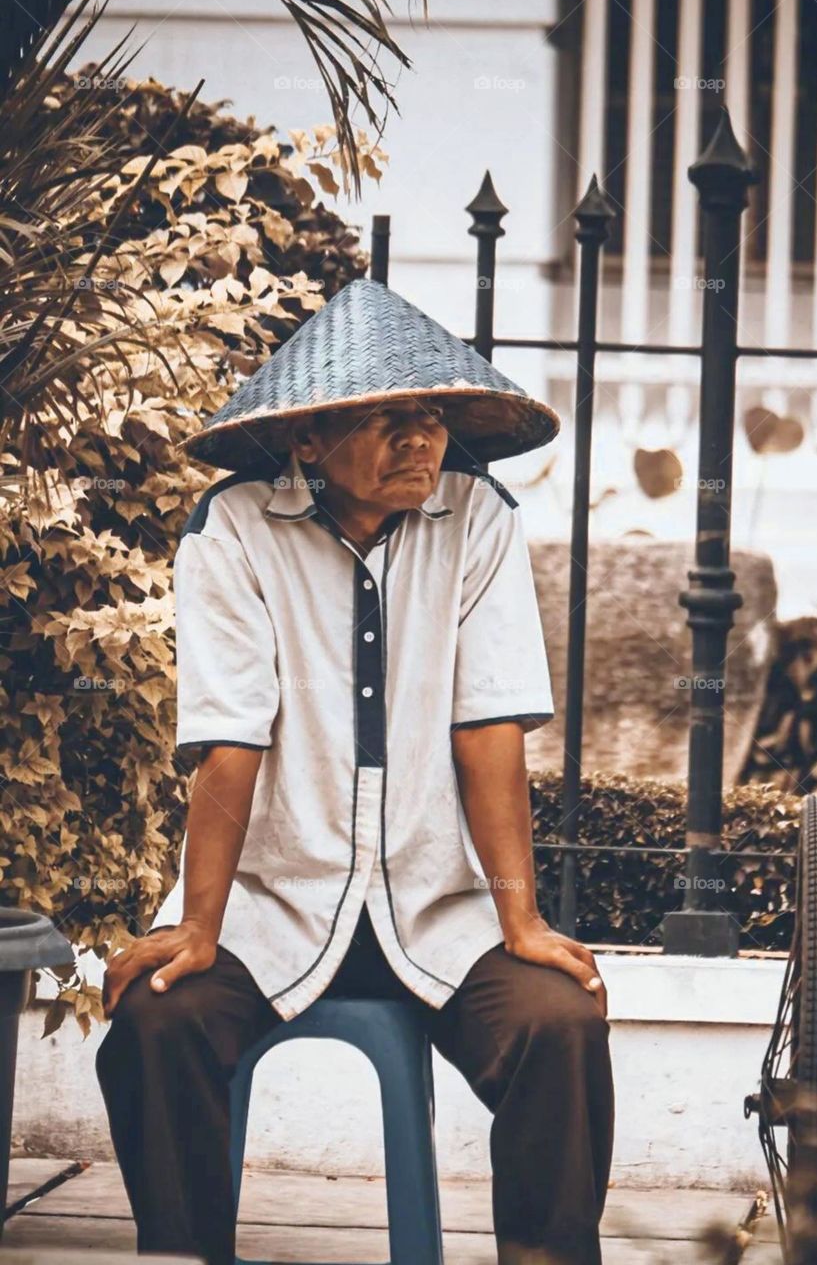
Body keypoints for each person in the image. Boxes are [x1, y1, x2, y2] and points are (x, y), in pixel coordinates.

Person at [95, 278, 615, 1265]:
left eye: (431, 418)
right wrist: (197, 926)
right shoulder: (235, 529)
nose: (423, 441)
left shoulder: (480, 518)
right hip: (268, 906)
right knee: (159, 1022)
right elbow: (229, 739)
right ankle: (181, 1253)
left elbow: (487, 730)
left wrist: (521, 918)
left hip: (439, 907)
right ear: (307, 439)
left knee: (560, 1018)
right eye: (389, 420)